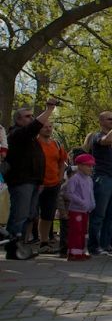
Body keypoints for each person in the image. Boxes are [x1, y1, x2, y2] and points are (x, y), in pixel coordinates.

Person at [4, 99, 58, 260]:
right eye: (27, 116)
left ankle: (22, 246)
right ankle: (12, 248)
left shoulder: (32, 140)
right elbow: (33, 127)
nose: (31, 118)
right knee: (19, 214)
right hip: (21, 181)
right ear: (18, 120)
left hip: (34, 182)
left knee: (29, 215)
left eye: (31, 116)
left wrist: (40, 182)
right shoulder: (16, 134)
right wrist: (49, 109)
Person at [87, 111, 112, 255]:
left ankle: (106, 244)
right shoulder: (97, 136)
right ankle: (94, 246)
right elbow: (106, 140)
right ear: (101, 121)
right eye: (109, 119)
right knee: (99, 215)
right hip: (103, 179)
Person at [37, 121, 68, 254]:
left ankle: (44, 242)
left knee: (48, 214)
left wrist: (60, 178)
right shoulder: (34, 143)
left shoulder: (56, 144)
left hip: (53, 183)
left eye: (50, 127)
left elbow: (62, 162)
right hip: (37, 184)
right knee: (31, 213)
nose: (48, 129)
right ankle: (24, 241)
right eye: (45, 126)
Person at [63, 154, 97, 261]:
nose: (91, 168)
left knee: (84, 231)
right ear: (80, 166)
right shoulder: (74, 179)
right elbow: (69, 193)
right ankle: (73, 252)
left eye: (92, 166)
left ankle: (82, 250)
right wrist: (82, 202)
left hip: (86, 210)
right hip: (76, 210)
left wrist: (92, 203)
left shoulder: (89, 180)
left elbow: (91, 193)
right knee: (76, 230)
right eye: (88, 166)